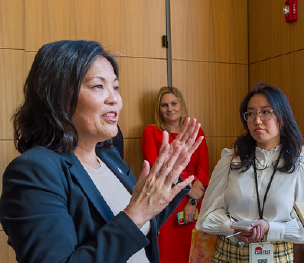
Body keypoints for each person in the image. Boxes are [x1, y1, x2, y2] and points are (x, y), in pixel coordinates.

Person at [0, 40, 203, 262]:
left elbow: (143, 223)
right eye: (98, 86)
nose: (115, 99)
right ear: (58, 97)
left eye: (115, 87)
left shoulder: (109, 156)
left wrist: (168, 178)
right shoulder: (33, 171)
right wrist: (136, 214)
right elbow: (133, 220)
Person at [195, 82, 304, 263]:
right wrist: (234, 228)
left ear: (282, 118)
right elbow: (205, 218)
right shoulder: (231, 160)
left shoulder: (299, 166)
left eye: (266, 112)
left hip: (277, 256)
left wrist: (270, 228)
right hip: (229, 255)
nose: (257, 120)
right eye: (251, 113)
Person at [142, 86, 209, 263]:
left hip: (195, 201)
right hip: (167, 202)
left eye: (174, 103)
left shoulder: (196, 131)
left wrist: (193, 201)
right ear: (159, 110)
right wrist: (187, 190)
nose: (170, 109)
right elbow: (156, 168)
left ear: (181, 105)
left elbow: (203, 169)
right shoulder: (151, 132)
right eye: (164, 105)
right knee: (168, 253)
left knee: (195, 252)